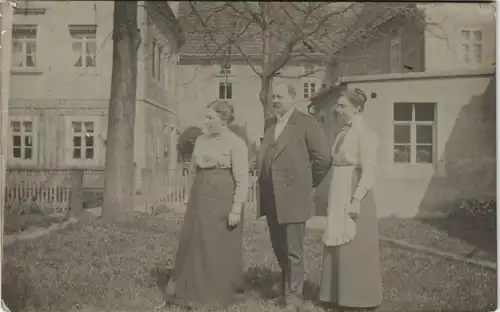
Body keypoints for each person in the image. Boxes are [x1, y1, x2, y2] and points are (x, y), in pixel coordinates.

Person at [161, 100, 249, 310]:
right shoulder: (200, 140)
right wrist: (186, 198)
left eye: (210, 118)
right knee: (195, 244)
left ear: (223, 119)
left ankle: (217, 295)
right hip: (200, 200)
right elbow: (192, 172)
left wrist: (236, 209)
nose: (206, 122)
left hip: (223, 201)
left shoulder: (236, 144)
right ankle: (190, 291)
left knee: (218, 248)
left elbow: (243, 180)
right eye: (206, 117)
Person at [257, 81, 331, 312]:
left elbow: (323, 159)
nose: (275, 100)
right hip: (271, 196)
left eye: (280, 96)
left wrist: (307, 183)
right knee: (279, 246)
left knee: (293, 249)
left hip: (293, 196)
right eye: (273, 96)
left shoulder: (306, 123)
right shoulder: (270, 123)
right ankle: (285, 287)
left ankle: (293, 297)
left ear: (292, 98)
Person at [319, 88, 383, 312]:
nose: (338, 110)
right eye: (337, 105)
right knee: (335, 237)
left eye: (342, 106)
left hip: (354, 191)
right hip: (339, 189)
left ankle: (358, 298)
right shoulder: (343, 132)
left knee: (354, 242)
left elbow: (368, 172)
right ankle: (335, 294)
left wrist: (356, 200)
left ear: (357, 108)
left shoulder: (365, 134)